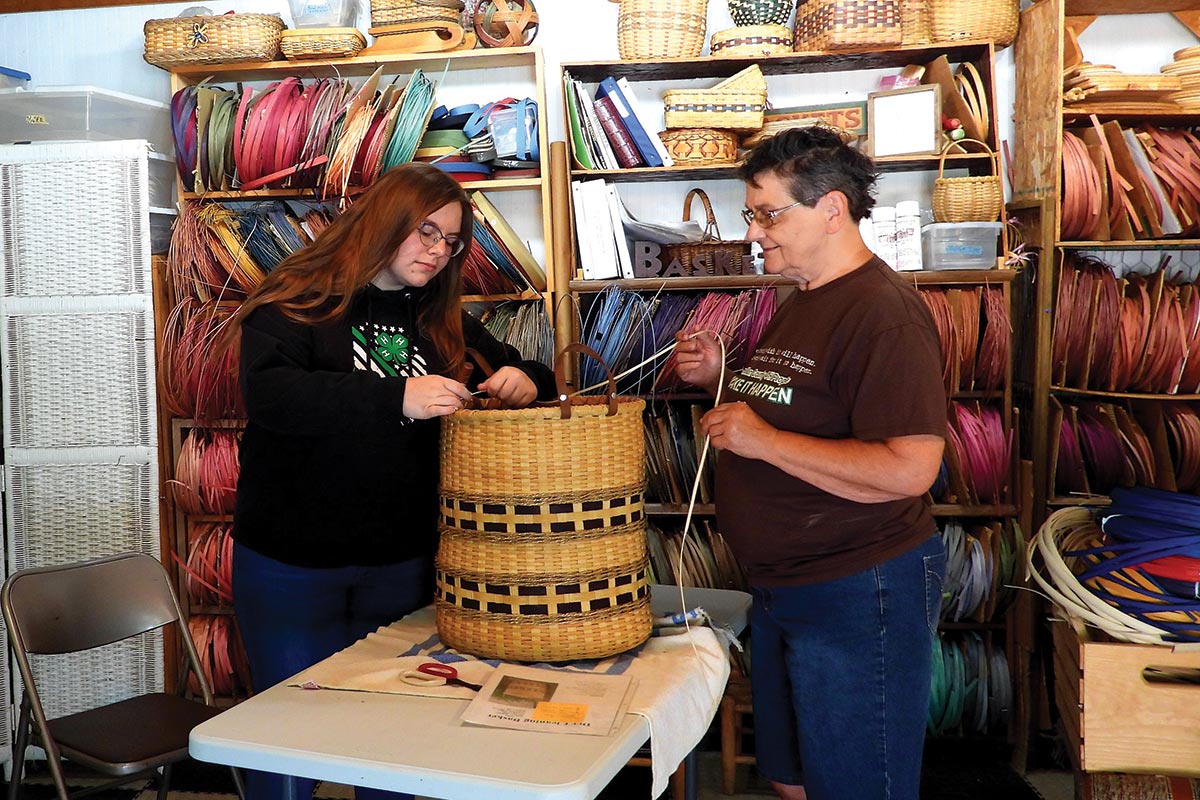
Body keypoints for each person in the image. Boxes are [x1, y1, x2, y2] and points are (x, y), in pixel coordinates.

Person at [222, 162, 557, 800]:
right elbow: (272, 396)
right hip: (294, 562)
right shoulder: (299, 296)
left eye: (451, 241)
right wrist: (397, 397)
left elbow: (520, 365)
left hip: (401, 563)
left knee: (396, 739)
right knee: (287, 739)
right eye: (424, 232)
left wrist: (531, 380)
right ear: (383, 223)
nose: (437, 251)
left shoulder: (436, 315)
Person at [674, 127, 948, 800]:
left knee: (858, 787)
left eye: (769, 214)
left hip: (859, 590)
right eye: (751, 214)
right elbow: (799, 405)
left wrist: (761, 440)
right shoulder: (806, 298)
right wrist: (723, 377)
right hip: (786, 586)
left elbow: (911, 468)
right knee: (795, 780)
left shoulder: (885, 315)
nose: (756, 233)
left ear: (831, 210)